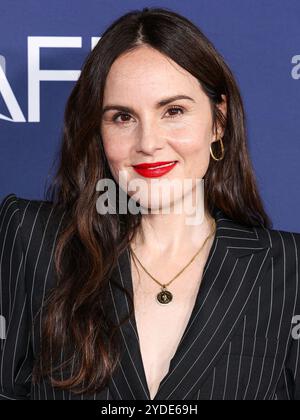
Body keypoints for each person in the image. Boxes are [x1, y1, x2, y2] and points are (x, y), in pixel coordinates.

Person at [0, 7, 299, 401]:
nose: (148, 143)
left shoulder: (289, 268)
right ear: (98, 130)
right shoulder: (31, 239)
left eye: (173, 111)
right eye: (122, 117)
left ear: (218, 122)